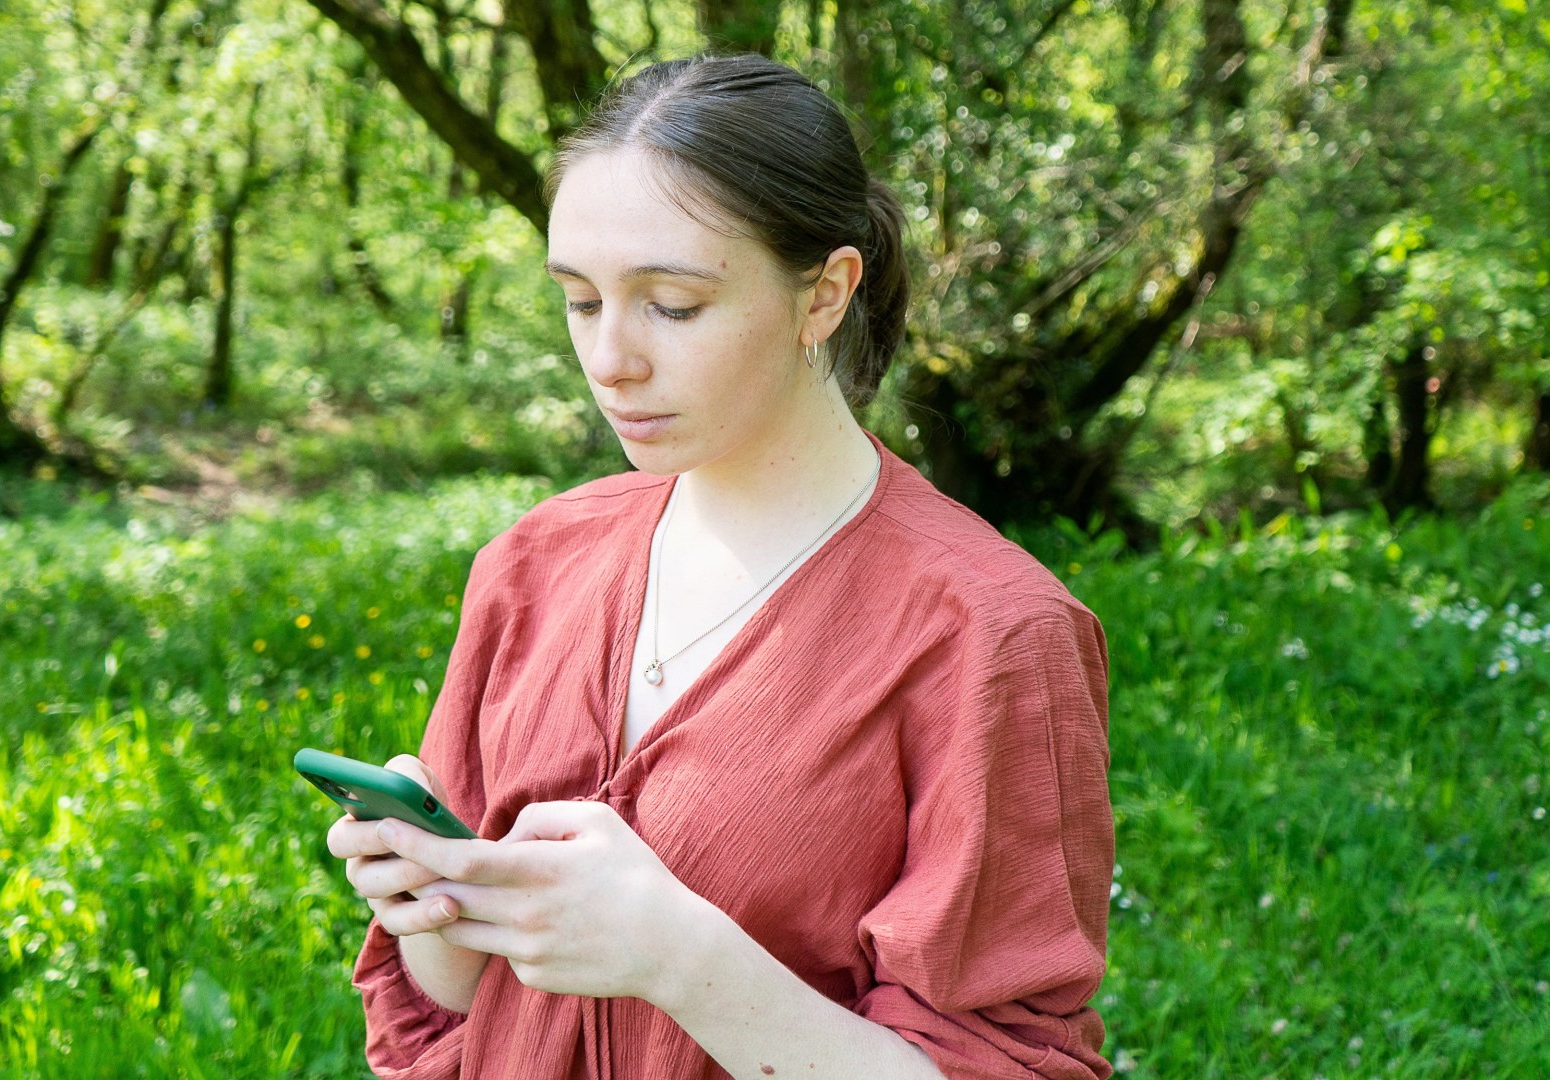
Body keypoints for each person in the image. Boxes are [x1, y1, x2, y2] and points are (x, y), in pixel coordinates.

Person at [324, 51, 1115, 1080]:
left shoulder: (992, 633)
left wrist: (679, 957)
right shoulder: (533, 564)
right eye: (579, 301)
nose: (611, 359)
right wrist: (427, 897)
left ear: (824, 294)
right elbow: (462, 1002)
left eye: (674, 304)